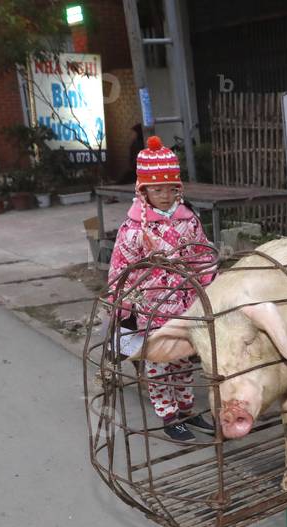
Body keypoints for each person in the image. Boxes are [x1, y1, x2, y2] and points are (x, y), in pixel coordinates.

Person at [107, 135, 215, 442]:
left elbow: (202, 256)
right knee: (158, 362)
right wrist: (122, 304)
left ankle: (188, 410)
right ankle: (168, 415)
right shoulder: (133, 229)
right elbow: (120, 270)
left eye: (171, 189)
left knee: (183, 359)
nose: (165, 195)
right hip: (151, 309)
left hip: (185, 304)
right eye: (157, 189)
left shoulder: (189, 220)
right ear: (143, 190)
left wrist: (208, 288)